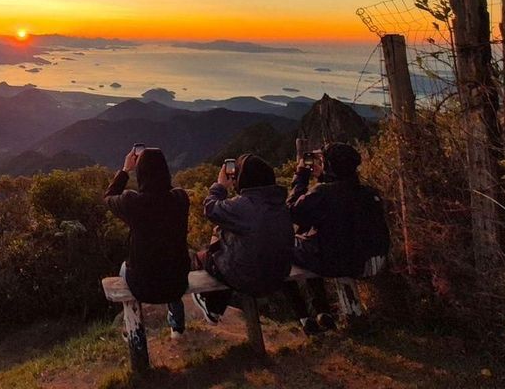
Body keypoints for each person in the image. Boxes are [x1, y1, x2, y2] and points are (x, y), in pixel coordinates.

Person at [284, 142, 390, 334]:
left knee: (285, 245)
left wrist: (301, 175)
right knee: (312, 235)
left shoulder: (323, 193)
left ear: (330, 166)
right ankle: (322, 312)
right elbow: (341, 197)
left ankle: (307, 316)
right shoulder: (369, 193)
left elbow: (292, 211)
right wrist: (323, 177)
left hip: (344, 264)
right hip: (374, 262)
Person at [193, 153, 294, 323]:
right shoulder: (280, 203)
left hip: (250, 279)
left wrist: (220, 186)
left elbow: (210, 209)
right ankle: (215, 309)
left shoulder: (242, 207)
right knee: (223, 234)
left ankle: (211, 305)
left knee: (203, 257)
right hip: (279, 274)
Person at [105, 146, 191, 337]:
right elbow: (166, 195)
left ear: (140, 173)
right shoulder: (180, 198)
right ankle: (177, 325)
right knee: (171, 260)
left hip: (143, 286)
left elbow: (109, 197)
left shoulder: (132, 202)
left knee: (124, 267)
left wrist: (125, 170)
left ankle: (132, 326)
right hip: (177, 283)